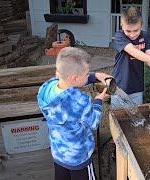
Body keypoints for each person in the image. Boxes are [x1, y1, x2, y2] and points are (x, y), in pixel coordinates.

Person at [37, 47, 111, 180]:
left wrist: (96, 76)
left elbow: (69, 80)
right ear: (75, 78)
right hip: (79, 157)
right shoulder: (79, 101)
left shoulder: (47, 88)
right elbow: (94, 122)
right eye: (87, 74)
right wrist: (98, 102)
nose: (89, 75)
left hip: (59, 153)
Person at [111, 7, 150, 107]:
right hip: (119, 84)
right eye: (128, 31)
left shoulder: (145, 36)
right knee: (117, 115)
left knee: (137, 117)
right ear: (121, 25)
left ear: (141, 25)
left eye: (136, 30)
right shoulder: (119, 36)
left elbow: (148, 57)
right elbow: (133, 51)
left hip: (137, 85)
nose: (132, 35)